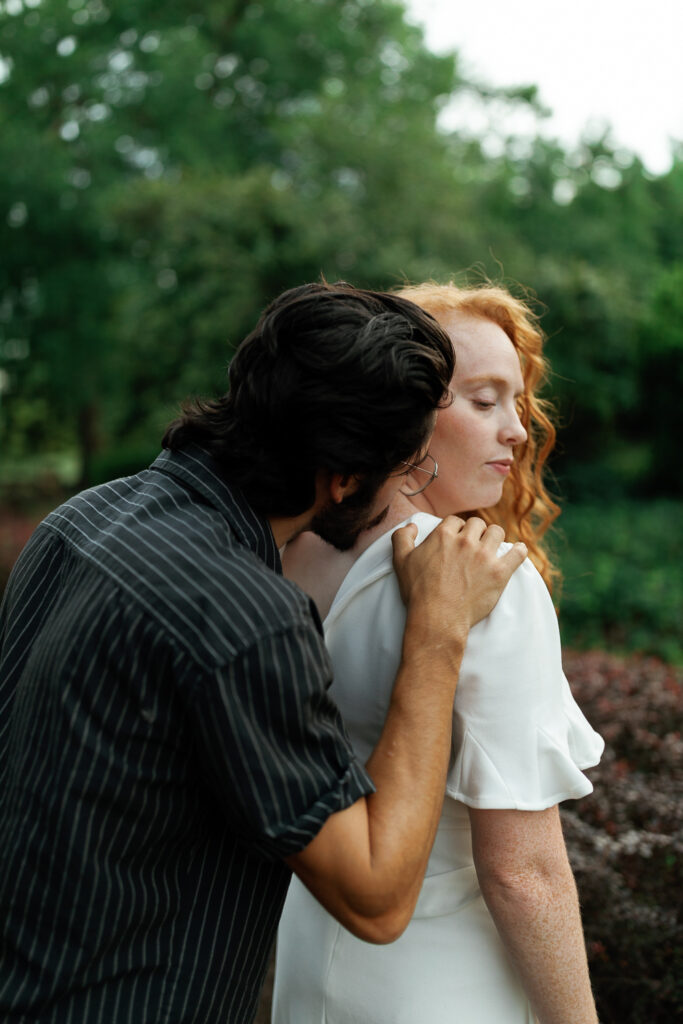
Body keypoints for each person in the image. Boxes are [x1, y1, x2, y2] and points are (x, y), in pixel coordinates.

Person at [0, 281, 527, 1024]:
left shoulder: (82, 518)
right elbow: (375, 897)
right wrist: (436, 634)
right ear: (344, 480)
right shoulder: (243, 617)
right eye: (406, 471)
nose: (413, 489)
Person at [273, 282, 604, 1024]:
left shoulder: (298, 553)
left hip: (310, 955)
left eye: (517, 403)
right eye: (483, 401)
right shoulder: (485, 584)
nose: (517, 431)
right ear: (401, 406)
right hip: (444, 989)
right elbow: (524, 873)